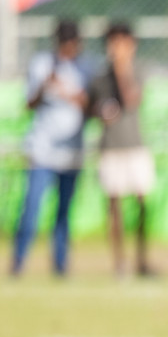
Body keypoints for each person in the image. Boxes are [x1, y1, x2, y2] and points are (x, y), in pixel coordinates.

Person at [12, 20, 88, 277]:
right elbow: (29, 103)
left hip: (71, 152)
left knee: (63, 213)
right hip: (42, 151)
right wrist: (45, 86)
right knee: (31, 208)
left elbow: (89, 105)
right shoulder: (42, 64)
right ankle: (18, 262)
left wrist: (67, 92)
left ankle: (60, 265)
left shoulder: (83, 68)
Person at [87, 21, 155, 278]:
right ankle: (120, 263)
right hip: (111, 147)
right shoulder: (99, 76)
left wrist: (122, 68)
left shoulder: (137, 70)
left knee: (142, 203)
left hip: (135, 144)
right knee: (114, 204)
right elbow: (91, 108)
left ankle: (142, 259)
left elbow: (131, 99)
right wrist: (100, 112)